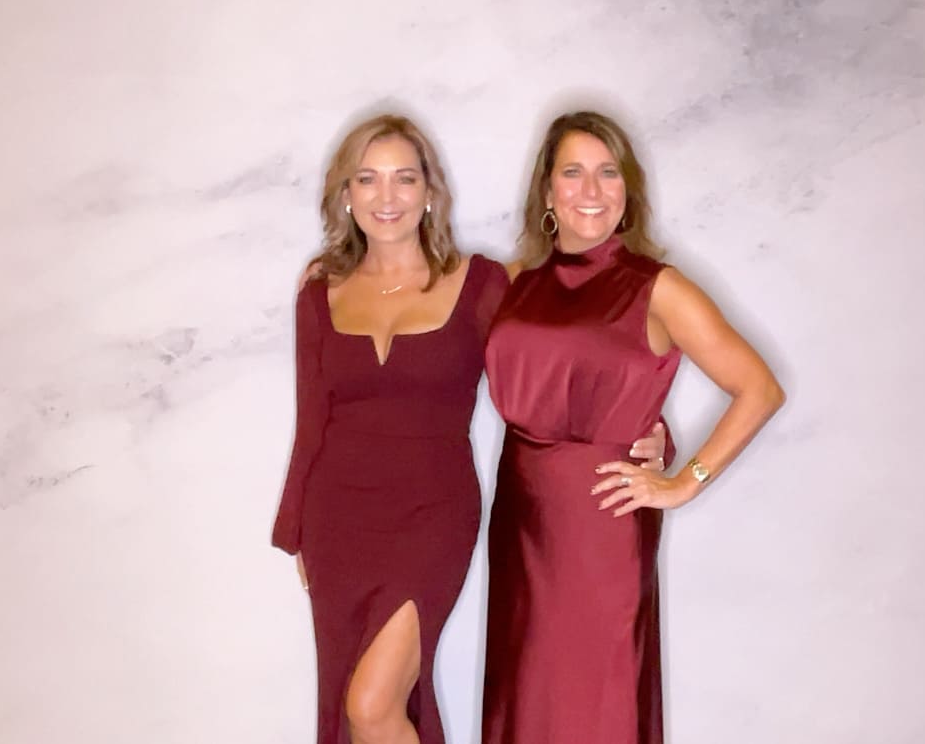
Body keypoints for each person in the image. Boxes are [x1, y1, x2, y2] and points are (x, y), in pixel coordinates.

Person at [271, 113, 671, 744]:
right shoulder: (321, 292)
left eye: (405, 178)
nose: (387, 195)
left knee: (370, 705)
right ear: (345, 195)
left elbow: (573, 350)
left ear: (430, 191)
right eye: (368, 179)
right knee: (352, 707)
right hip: (336, 520)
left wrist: (650, 427)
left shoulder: (482, 283)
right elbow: (311, 416)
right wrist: (294, 527)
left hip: (432, 515)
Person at [482, 111, 786, 744]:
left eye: (608, 173)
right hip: (520, 520)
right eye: (573, 172)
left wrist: (684, 480)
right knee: (527, 696)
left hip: (602, 525)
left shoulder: (656, 288)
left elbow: (758, 388)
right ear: (547, 192)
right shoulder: (512, 283)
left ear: (628, 190)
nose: (591, 190)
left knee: (597, 701)